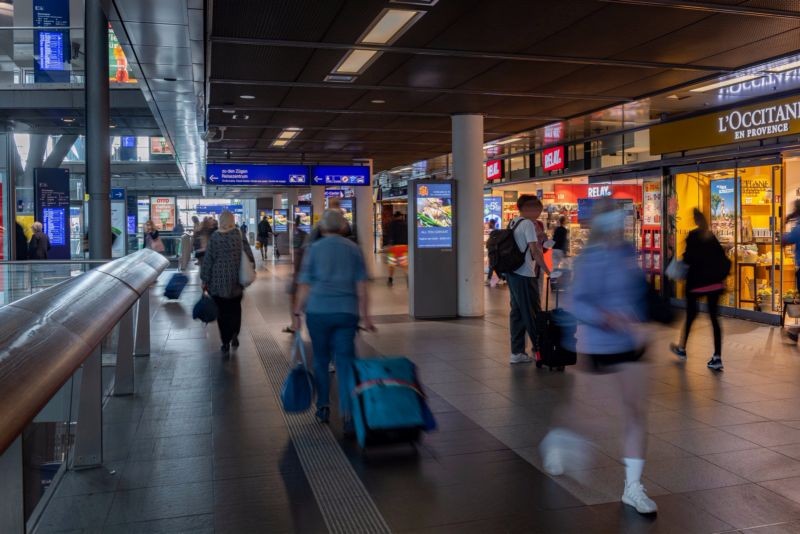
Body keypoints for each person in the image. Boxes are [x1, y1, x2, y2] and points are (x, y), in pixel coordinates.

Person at [540, 198, 657, 515]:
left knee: (634, 411)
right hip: (598, 344)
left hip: (630, 343)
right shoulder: (589, 259)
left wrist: (639, 319)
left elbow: (636, 292)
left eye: (620, 220)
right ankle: (559, 436)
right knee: (589, 413)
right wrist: (607, 316)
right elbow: (578, 303)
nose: (617, 226)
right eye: (612, 220)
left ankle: (633, 486)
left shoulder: (626, 254)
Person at [292, 209, 376, 429]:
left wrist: (297, 313)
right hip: (347, 313)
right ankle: (348, 414)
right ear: (342, 227)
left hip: (318, 312)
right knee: (345, 362)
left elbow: (304, 284)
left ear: (322, 228)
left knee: (320, 360)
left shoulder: (313, 249)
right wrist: (366, 316)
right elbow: (361, 287)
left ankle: (323, 407)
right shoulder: (354, 250)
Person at [670, 208, 728, 371]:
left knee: (690, 316)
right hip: (715, 285)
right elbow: (722, 259)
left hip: (696, 285)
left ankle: (682, 348)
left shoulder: (693, 236)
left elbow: (688, 258)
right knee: (715, 319)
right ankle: (717, 357)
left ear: (696, 220)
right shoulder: (712, 238)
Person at [200, 210, 256, 356]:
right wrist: (251, 268)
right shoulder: (238, 235)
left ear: (220, 221)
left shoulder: (215, 237)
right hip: (236, 282)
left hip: (217, 284)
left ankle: (225, 341)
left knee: (222, 314)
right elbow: (249, 255)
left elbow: (208, 261)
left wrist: (204, 279)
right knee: (235, 310)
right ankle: (234, 334)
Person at [506, 195, 550, 364]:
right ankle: (541, 351)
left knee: (517, 313)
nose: (539, 211)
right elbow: (535, 251)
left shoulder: (514, 222)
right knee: (532, 313)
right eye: (537, 208)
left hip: (512, 273)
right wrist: (547, 270)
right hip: (525, 275)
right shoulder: (528, 224)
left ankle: (517, 352)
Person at [283, 216, 309, 334]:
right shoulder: (305, 235)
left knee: (294, 299)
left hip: (300, 274)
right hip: (306, 273)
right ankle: (297, 324)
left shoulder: (298, 236)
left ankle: (295, 325)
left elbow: (298, 256)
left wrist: (295, 274)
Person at [385, 211, 408, 286]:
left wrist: (388, 245)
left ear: (395, 216)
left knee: (391, 264)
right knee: (404, 265)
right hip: (404, 247)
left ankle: (390, 279)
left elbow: (389, 236)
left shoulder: (391, 224)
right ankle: (408, 278)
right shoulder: (405, 224)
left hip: (394, 247)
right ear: (401, 216)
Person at [485, 218, 502, 286]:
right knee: (494, 266)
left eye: (489, 223)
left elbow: (492, 242)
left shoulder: (495, 232)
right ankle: (501, 279)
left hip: (493, 252)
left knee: (491, 266)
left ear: (492, 223)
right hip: (492, 252)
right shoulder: (495, 231)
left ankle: (488, 280)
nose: (488, 224)